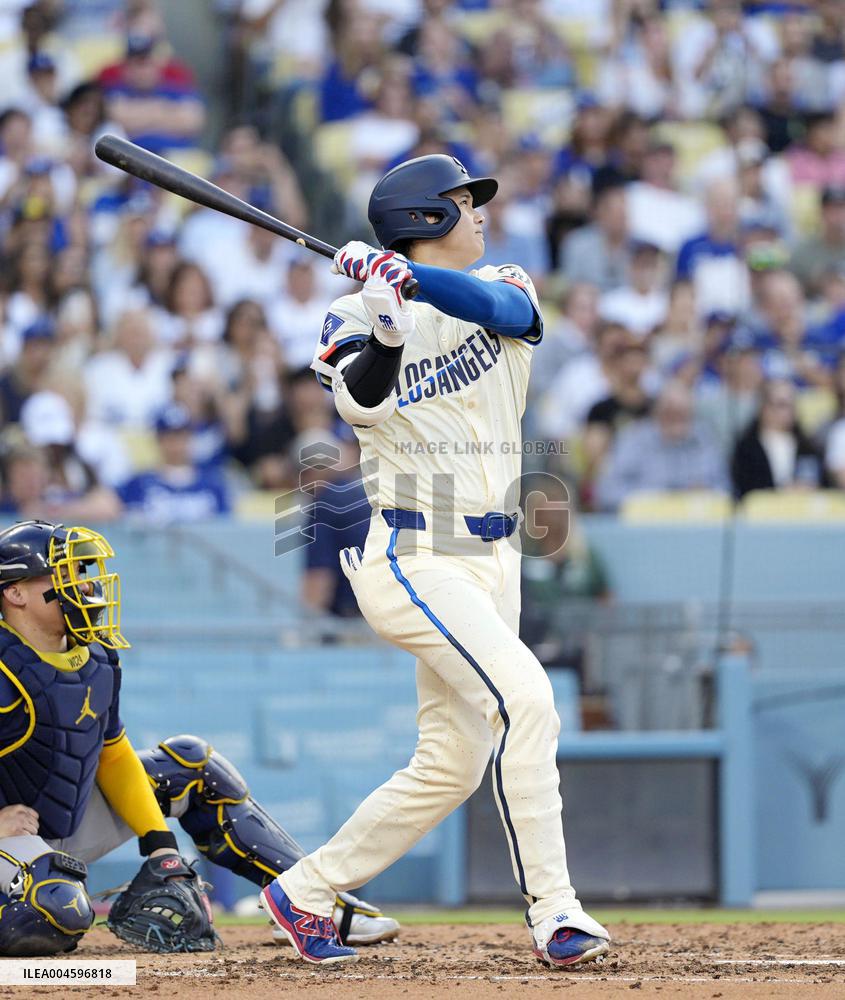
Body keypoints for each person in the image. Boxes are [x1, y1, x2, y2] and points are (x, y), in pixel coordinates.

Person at [260, 154, 611, 967]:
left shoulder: (500, 281)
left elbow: (500, 308)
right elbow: (359, 401)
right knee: (529, 702)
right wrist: (385, 325)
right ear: (422, 219)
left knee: (451, 762)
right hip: (416, 553)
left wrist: (411, 287)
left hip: (495, 557)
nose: (478, 212)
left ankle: (306, 892)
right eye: (460, 202)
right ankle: (556, 913)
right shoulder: (352, 311)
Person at [0, 519, 399, 955]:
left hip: (64, 823)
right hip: (8, 838)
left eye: (82, 571)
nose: (84, 584)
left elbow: (112, 758)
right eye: (65, 573)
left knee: (193, 765)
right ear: (16, 592)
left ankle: (314, 902)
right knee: (55, 913)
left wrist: (160, 846)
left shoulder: (96, 657)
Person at [595, 381, 729, 512]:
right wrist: (654, 499)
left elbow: (726, 491)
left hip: (696, 526)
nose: (676, 419)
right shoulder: (634, 440)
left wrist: (707, 494)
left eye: (682, 413)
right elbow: (607, 493)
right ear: (656, 411)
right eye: (670, 412)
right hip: (645, 529)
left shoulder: (704, 440)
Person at [731, 378, 825, 498]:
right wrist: (782, 492)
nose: (789, 411)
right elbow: (746, 487)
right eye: (782, 405)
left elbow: (818, 481)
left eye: (791, 404)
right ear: (764, 407)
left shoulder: (807, 447)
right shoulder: (747, 449)